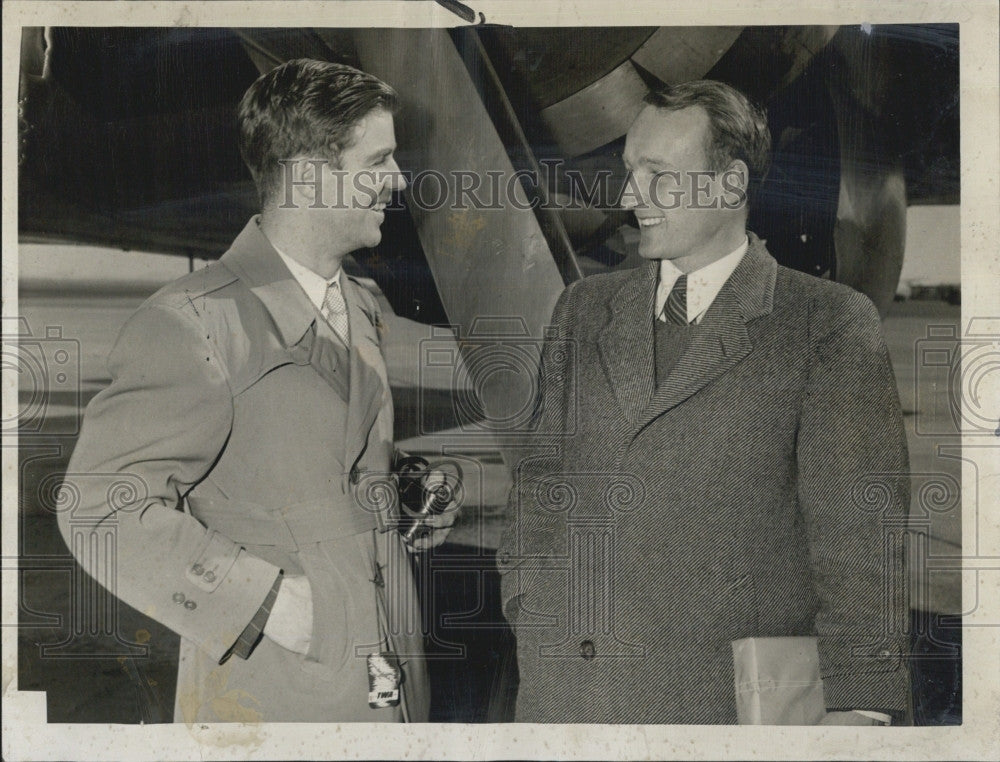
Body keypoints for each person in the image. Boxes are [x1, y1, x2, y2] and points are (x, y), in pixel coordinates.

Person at [497, 80, 910, 724]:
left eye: (658, 176)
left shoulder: (826, 323)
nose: (632, 197)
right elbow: (542, 485)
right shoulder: (584, 309)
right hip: (568, 695)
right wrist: (531, 606)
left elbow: (859, 541)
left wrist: (861, 708)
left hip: (719, 707)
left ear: (730, 184)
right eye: (631, 172)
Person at [58, 59, 456, 722]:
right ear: (308, 177)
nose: (397, 180)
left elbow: (312, 460)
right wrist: (265, 601)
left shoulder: (359, 304)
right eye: (378, 161)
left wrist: (405, 484)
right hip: (278, 691)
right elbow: (98, 507)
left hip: (391, 674)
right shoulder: (194, 321)